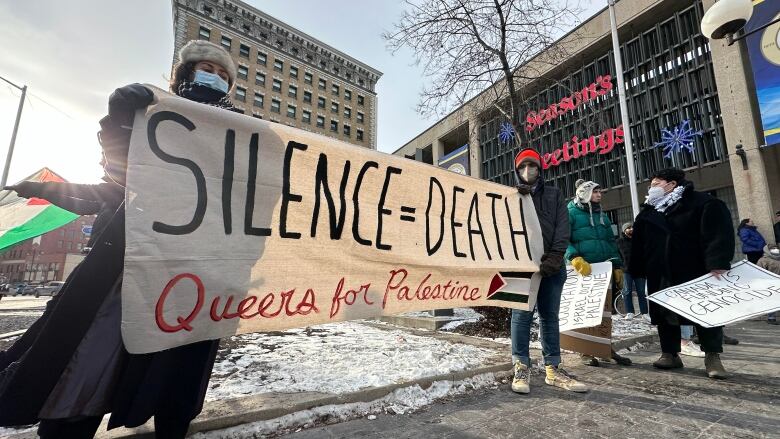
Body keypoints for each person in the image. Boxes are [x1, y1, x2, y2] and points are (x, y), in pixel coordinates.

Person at [0, 40, 238, 438]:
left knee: (176, 372)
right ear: (184, 74)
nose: (213, 77)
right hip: (123, 273)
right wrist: (120, 120)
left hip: (196, 277)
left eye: (223, 73)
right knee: (91, 362)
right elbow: (114, 183)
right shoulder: (150, 116)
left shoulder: (243, 136)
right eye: (206, 68)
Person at [630, 168, 734, 379]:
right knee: (664, 314)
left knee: (705, 313)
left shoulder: (703, 203)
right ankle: (669, 353)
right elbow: (639, 244)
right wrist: (637, 268)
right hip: (660, 272)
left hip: (696, 270)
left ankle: (712, 356)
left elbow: (718, 234)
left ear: (672, 184)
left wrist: (717, 262)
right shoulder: (649, 212)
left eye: (657, 184)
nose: (652, 188)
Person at [510, 148, 587, 394]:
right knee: (521, 317)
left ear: (540, 168)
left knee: (549, 317)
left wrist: (555, 256)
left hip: (551, 267)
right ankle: (520, 365)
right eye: (523, 166)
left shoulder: (554, 195)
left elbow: (562, 229)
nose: (527, 170)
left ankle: (553, 368)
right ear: (517, 170)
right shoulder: (510, 196)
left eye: (532, 165)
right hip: (523, 268)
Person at [565, 179, 631, 367]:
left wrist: (617, 265)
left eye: (600, 192)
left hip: (603, 272)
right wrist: (574, 257)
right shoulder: (571, 213)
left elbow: (610, 241)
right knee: (585, 311)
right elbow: (562, 239)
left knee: (604, 313)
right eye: (595, 192)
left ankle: (604, 348)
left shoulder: (603, 215)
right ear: (584, 194)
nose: (599, 195)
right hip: (583, 271)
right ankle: (585, 350)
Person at [617, 222, 649, 322]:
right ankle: (629, 312)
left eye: (632, 227)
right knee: (627, 291)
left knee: (641, 292)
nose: (631, 229)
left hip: (640, 270)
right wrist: (621, 265)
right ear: (624, 230)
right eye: (628, 228)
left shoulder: (639, 241)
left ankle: (644, 313)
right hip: (627, 270)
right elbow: (618, 255)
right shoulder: (619, 242)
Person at [756, 244, 780, 325]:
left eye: (776, 248)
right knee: (771, 301)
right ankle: (771, 318)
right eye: (773, 248)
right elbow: (758, 272)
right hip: (769, 284)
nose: (776, 249)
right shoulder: (763, 260)